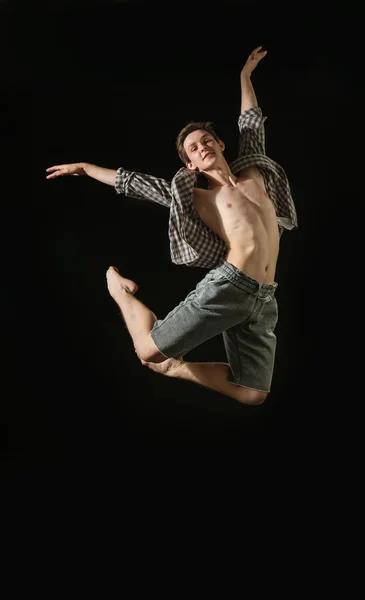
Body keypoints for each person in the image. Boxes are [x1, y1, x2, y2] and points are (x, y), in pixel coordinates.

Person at [46, 46, 298, 406]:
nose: (202, 147)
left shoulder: (255, 171)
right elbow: (135, 182)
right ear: (191, 165)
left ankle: (175, 368)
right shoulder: (198, 198)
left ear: (221, 143)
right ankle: (117, 288)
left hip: (265, 296)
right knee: (147, 351)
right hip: (230, 287)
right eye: (193, 149)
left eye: (206, 140)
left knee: (253, 393)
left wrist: (245, 77)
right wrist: (85, 168)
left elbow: (252, 122)